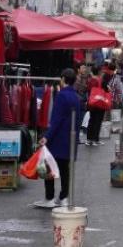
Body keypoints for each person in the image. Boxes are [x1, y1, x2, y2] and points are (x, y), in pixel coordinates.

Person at [35, 69, 81, 209]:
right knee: (64, 169)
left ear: (63, 79)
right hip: (70, 138)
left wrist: (46, 137)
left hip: (58, 138)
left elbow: (56, 120)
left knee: (49, 167)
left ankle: (49, 197)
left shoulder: (61, 96)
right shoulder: (76, 97)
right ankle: (64, 197)